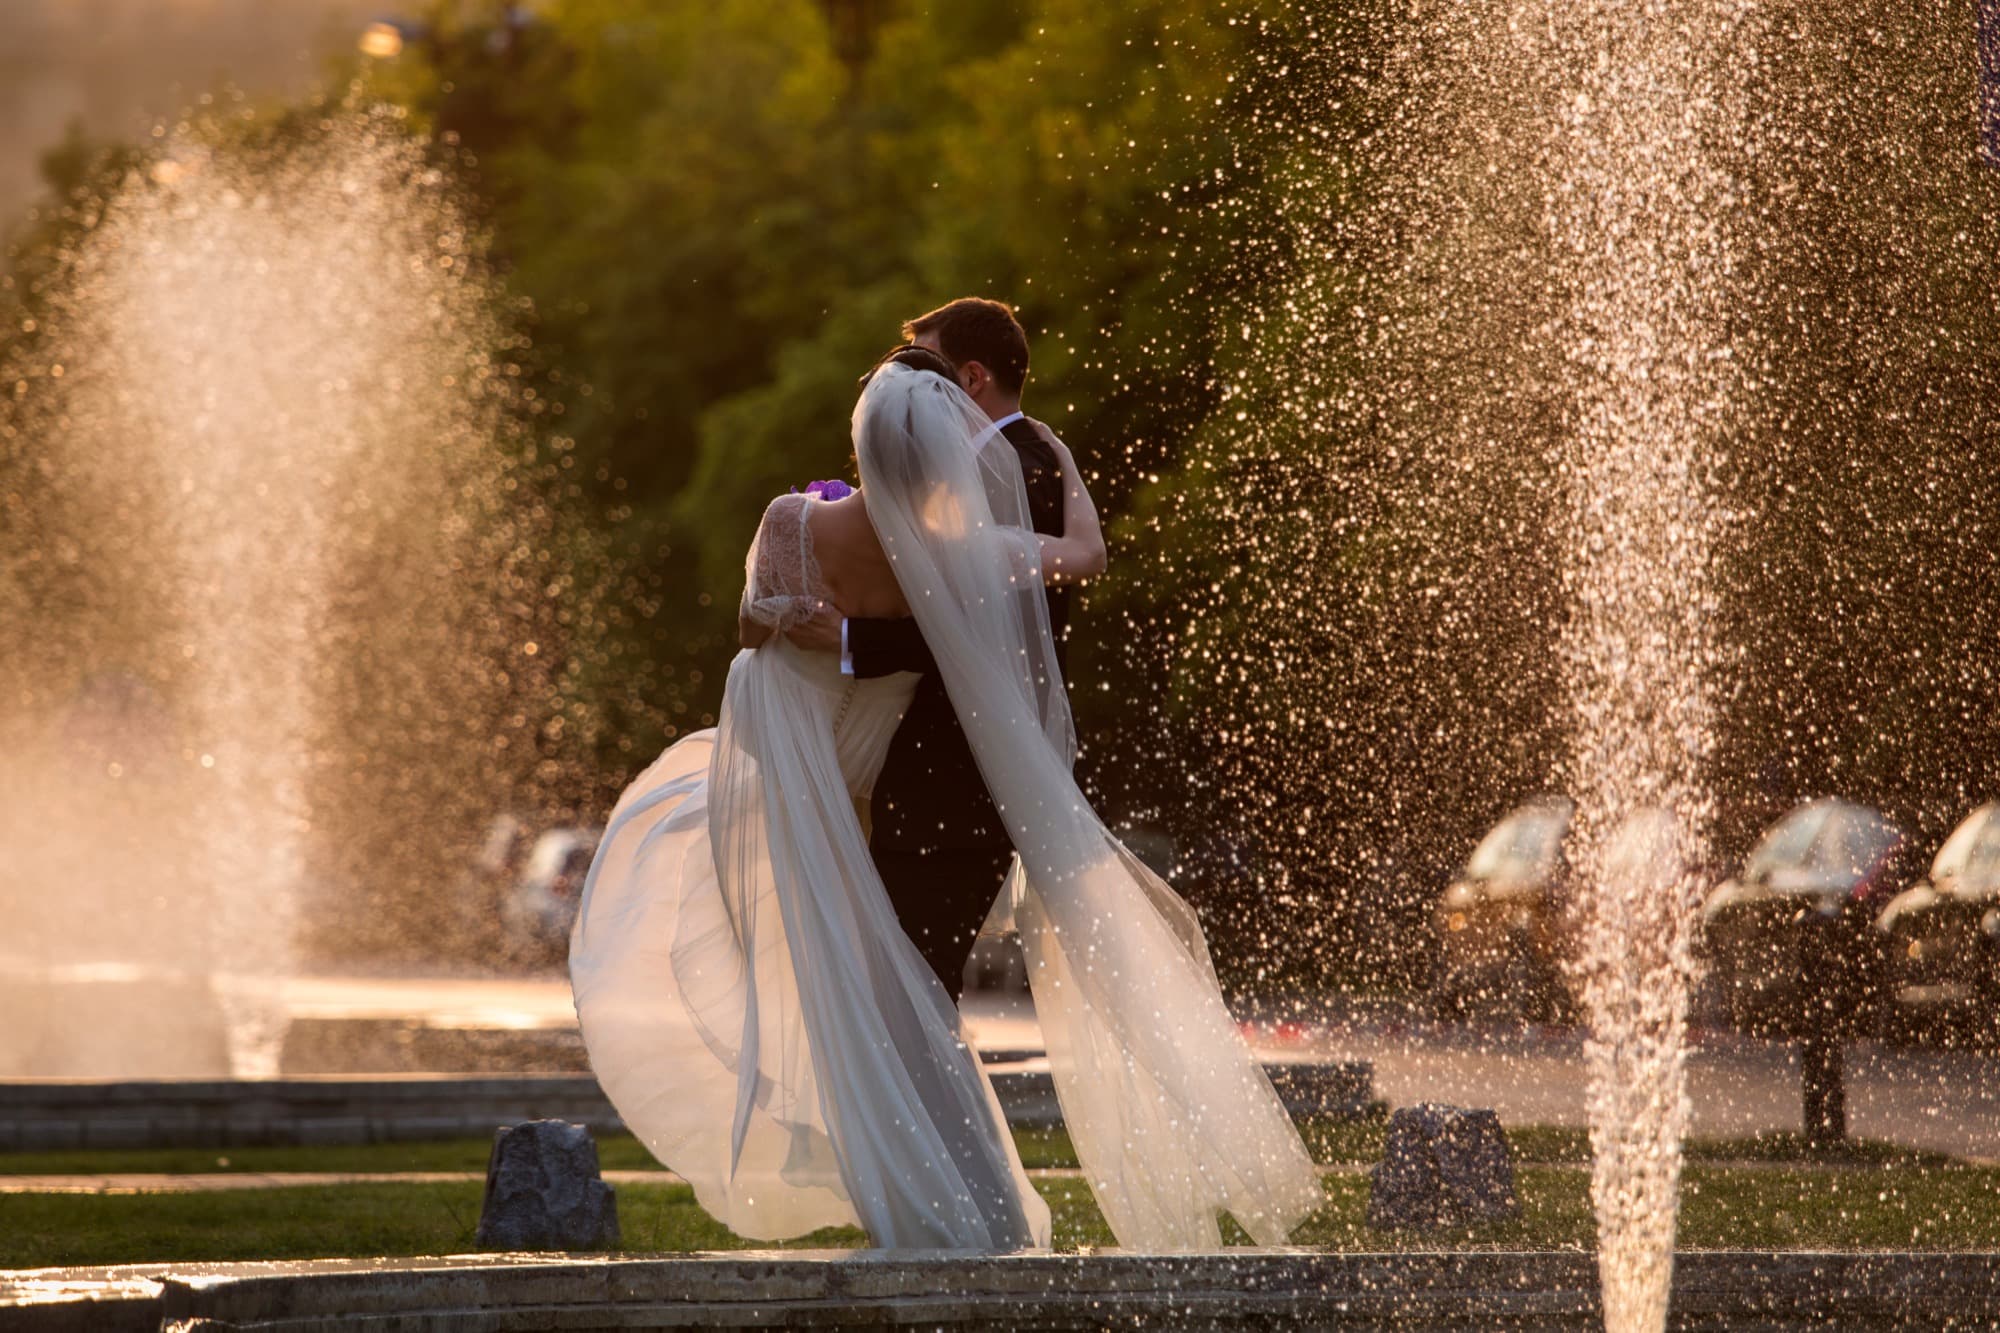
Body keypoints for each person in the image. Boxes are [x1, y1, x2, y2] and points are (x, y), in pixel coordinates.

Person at [571, 350, 1322, 1253]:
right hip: (864, 767)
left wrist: (818, 628)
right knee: (879, 987)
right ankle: (943, 1189)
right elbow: (1077, 558)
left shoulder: (791, 518)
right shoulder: (950, 557)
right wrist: (1067, 467)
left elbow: (751, 624)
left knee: (841, 976)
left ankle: (917, 1190)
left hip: (802, 761)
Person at [784, 298, 1098, 999]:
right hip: (989, 779)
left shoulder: (990, 477)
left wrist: (847, 638)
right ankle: (918, 1110)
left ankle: (911, 1112)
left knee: (903, 990)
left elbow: (960, 634)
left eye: (931, 375)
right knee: (914, 985)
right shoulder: (1044, 453)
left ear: (974, 378)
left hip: (945, 781)